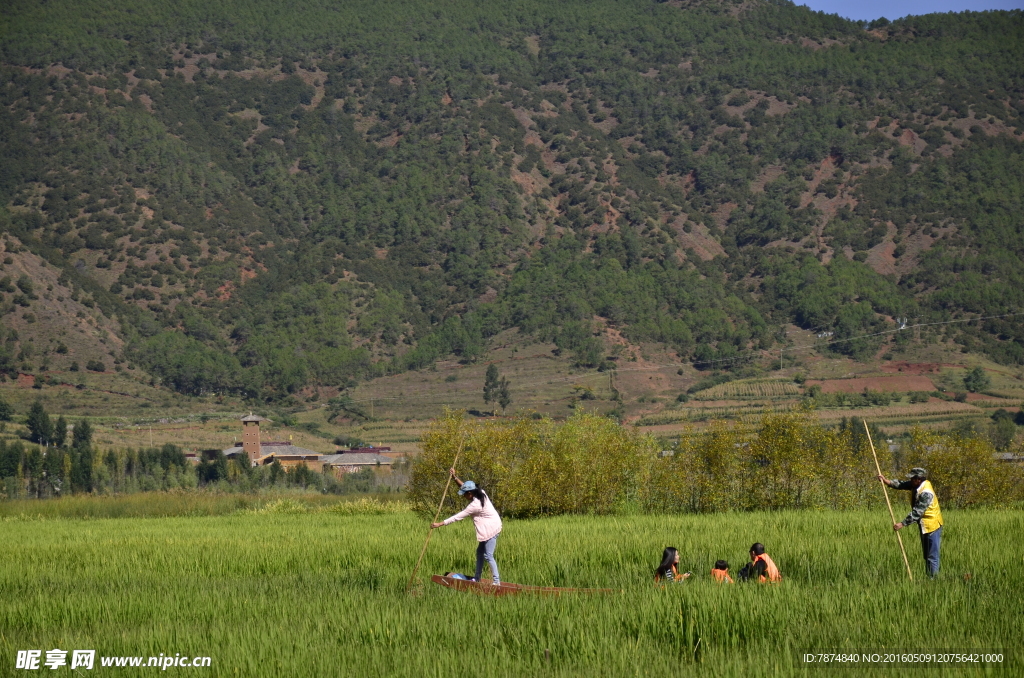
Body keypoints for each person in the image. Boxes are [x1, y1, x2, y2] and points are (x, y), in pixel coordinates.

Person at [431, 469, 502, 585]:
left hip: (492, 528)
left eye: (464, 494)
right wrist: (454, 477)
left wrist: (440, 524)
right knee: (479, 553)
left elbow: (457, 517)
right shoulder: (480, 491)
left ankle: (496, 582)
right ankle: (477, 578)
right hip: (489, 525)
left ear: (470, 493)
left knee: (488, 555)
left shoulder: (475, 505)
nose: (463, 496)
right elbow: (464, 485)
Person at [877, 467, 943, 578]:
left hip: (932, 526)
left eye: (913, 478)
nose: (911, 480)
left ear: (919, 479)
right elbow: (902, 484)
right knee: (926, 555)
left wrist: (902, 524)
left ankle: (933, 580)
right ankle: (930, 577)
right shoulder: (916, 485)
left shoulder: (926, 493)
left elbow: (917, 512)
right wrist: (886, 481)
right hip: (924, 525)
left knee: (932, 556)